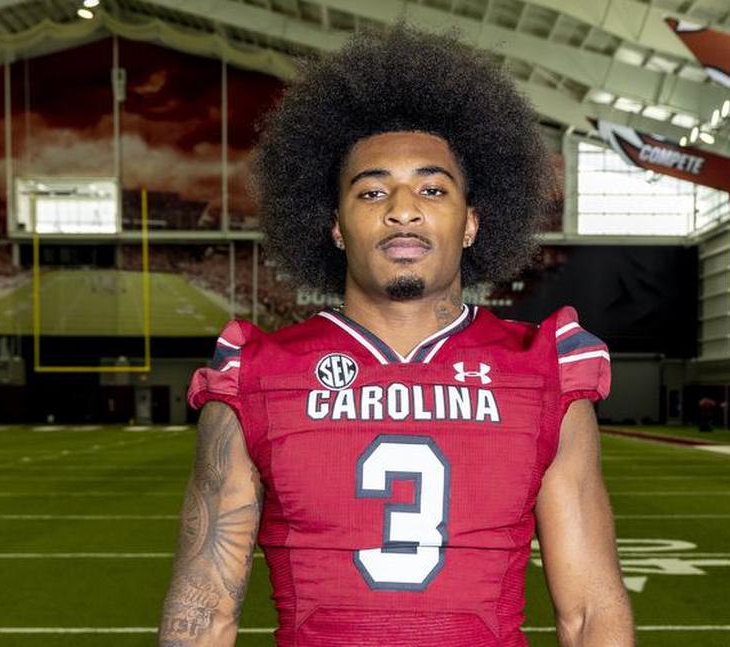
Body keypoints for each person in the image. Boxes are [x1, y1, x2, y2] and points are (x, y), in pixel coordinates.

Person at [159, 26, 634, 647]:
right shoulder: (256, 375)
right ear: (333, 225)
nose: (402, 208)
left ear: (471, 223)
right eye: (373, 190)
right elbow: (204, 606)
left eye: (433, 189)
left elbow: (590, 610)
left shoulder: (541, 372)